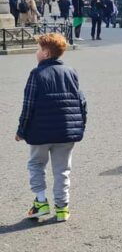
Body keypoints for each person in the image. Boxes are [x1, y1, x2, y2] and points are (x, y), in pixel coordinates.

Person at [15, 33, 87, 222]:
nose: (36, 53)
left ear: (46, 53)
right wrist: (80, 126)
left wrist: (21, 130)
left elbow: (28, 105)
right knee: (62, 170)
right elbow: (81, 102)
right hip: (66, 131)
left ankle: (40, 202)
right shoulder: (71, 72)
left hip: (40, 131)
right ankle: (62, 208)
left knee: (36, 164)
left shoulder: (36, 73)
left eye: (38, 49)